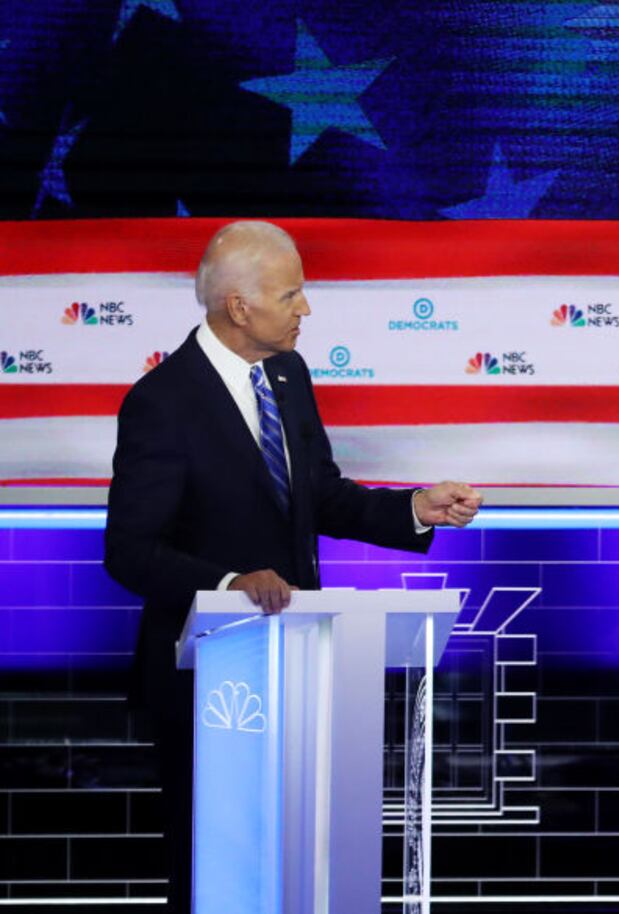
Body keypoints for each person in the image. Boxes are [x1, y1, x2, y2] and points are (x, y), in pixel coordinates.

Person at [104, 221, 483, 913]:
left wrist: (416, 510)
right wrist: (227, 586)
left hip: (299, 664)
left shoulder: (288, 373)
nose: (306, 309)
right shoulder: (161, 403)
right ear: (239, 307)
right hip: (207, 682)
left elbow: (321, 495)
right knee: (213, 865)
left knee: (294, 863)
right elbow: (128, 550)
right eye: (292, 294)